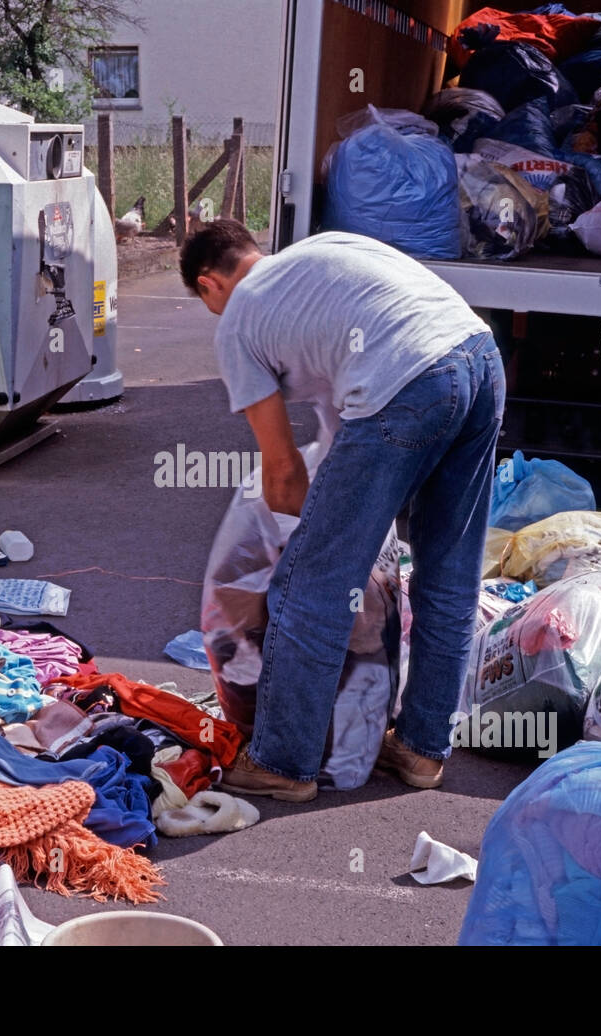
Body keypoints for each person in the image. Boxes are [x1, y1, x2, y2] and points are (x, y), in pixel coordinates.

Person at [180, 220, 507, 802]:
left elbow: (284, 473)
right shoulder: (317, 267)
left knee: (311, 586)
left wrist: (288, 549)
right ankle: (422, 748)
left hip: (406, 378)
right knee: (449, 574)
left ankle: (283, 760)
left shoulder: (238, 319)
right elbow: (339, 445)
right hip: (480, 359)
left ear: (210, 286)